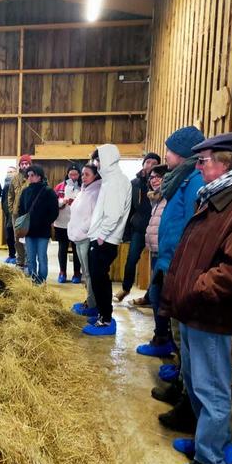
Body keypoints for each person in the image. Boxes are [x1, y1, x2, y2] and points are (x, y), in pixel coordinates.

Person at [161, 132, 232, 464]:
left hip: (211, 311)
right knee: (194, 382)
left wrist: (198, 287)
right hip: (195, 310)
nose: (200, 166)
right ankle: (214, 440)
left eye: (204, 161)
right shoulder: (217, 197)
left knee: (211, 388)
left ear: (225, 162)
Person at [143, 127, 206, 434]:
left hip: (181, 266)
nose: (165, 155)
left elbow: (191, 229)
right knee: (177, 333)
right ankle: (180, 387)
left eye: (169, 150)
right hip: (169, 261)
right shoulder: (180, 179)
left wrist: (178, 264)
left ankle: (186, 402)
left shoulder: (193, 181)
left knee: (182, 334)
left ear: (183, 152)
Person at [81, 144, 132, 336]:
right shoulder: (110, 180)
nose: (97, 164)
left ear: (108, 159)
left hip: (106, 239)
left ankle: (106, 320)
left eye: (98, 160)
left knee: (100, 279)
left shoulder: (117, 181)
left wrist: (102, 235)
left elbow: (113, 214)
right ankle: (102, 313)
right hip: (103, 237)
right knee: (97, 278)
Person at [114, 152, 161, 303]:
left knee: (156, 264)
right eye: (148, 162)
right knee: (132, 258)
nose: (151, 165)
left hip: (157, 229)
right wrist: (126, 231)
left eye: (154, 162)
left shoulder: (162, 183)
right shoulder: (134, 183)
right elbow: (129, 209)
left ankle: (149, 296)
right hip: (139, 228)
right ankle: (125, 288)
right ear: (143, 164)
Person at [136, 164, 171, 356]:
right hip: (156, 251)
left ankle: (163, 340)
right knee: (157, 297)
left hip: (165, 253)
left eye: (158, 176)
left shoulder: (169, 197)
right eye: (152, 177)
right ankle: (161, 337)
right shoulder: (156, 198)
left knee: (160, 297)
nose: (154, 180)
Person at [67, 163, 102, 317]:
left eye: (87, 174)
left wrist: (82, 229)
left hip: (86, 237)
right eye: (82, 174)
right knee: (86, 273)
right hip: (78, 236)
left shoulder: (96, 192)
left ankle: (93, 304)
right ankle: (90, 300)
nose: (83, 177)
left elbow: (95, 217)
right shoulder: (84, 190)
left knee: (89, 272)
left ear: (95, 176)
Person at [17, 164, 58, 284]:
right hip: (29, 231)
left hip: (43, 231)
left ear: (39, 176)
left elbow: (54, 211)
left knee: (42, 257)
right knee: (30, 258)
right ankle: (33, 281)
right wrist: (23, 222)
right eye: (28, 175)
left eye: (32, 175)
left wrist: (45, 222)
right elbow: (21, 209)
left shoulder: (48, 191)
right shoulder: (25, 191)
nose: (29, 178)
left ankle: (41, 281)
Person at [53, 165, 82, 284]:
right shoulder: (60, 187)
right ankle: (62, 272)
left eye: (76, 174)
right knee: (62, 248)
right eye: (71, 174)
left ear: (79, 175)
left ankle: (76, 273)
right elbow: (54, 202)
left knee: (77, 249)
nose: (73, 177)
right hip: (62, 223)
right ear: (67, 174)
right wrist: (62, 201)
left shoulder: (83, 187)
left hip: (78, 223)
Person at [7, 155, 32, 270]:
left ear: (30, 165)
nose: (24, 165)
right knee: (17, 238)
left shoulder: (33, 177)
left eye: (27, 164)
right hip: (16, 214)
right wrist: (12, 209)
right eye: (22, 164)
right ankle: (20, 261)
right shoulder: (15, 179)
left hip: (28, 213)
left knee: (27, 238)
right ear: (20, 165)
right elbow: (10, 195)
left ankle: (28, 261)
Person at [0, 165, 18, 264]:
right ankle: (11, 255)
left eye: (11, 172)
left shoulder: (18, 184)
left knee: (17, 236)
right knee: (8, 235)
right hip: (7, 214)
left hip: (16, 214)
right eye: (8, 172)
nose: (9, 174)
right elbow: (3, 199)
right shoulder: (5, 185)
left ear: (16, 173)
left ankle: (19, 257)